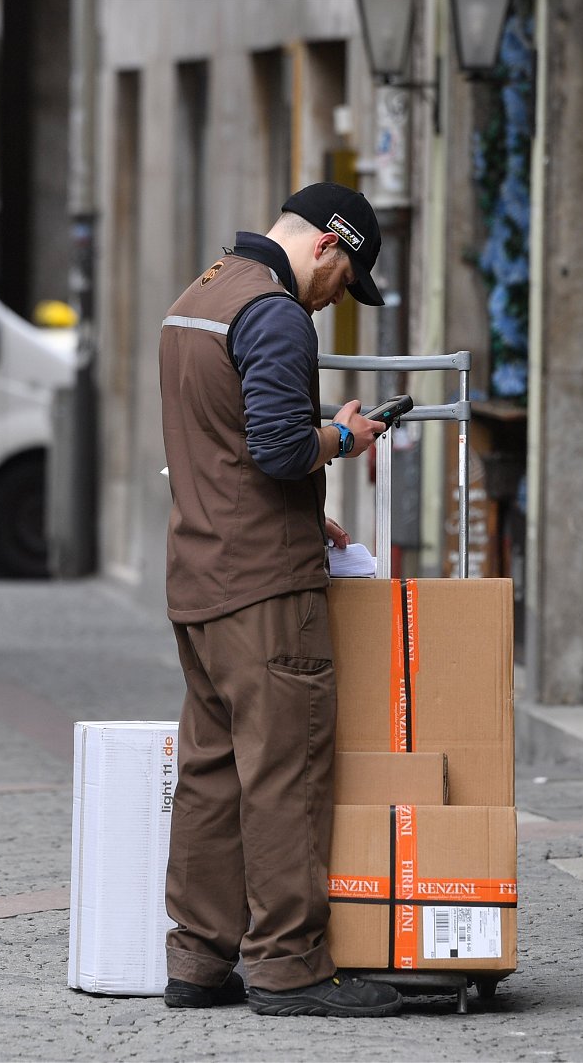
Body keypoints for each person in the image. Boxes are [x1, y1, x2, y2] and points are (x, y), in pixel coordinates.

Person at [157, 184, 400, 1018]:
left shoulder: (200, 294)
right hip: (265, 589)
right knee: (285, 770)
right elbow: (276, 446)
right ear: (327, 247)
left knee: (211, 772)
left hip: (198, 577)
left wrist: (306, 506)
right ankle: (289, 964)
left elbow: (222, 448)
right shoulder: (274, 314)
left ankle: (196, 958)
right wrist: (345, 436)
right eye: (346, 282)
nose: (336, 303)